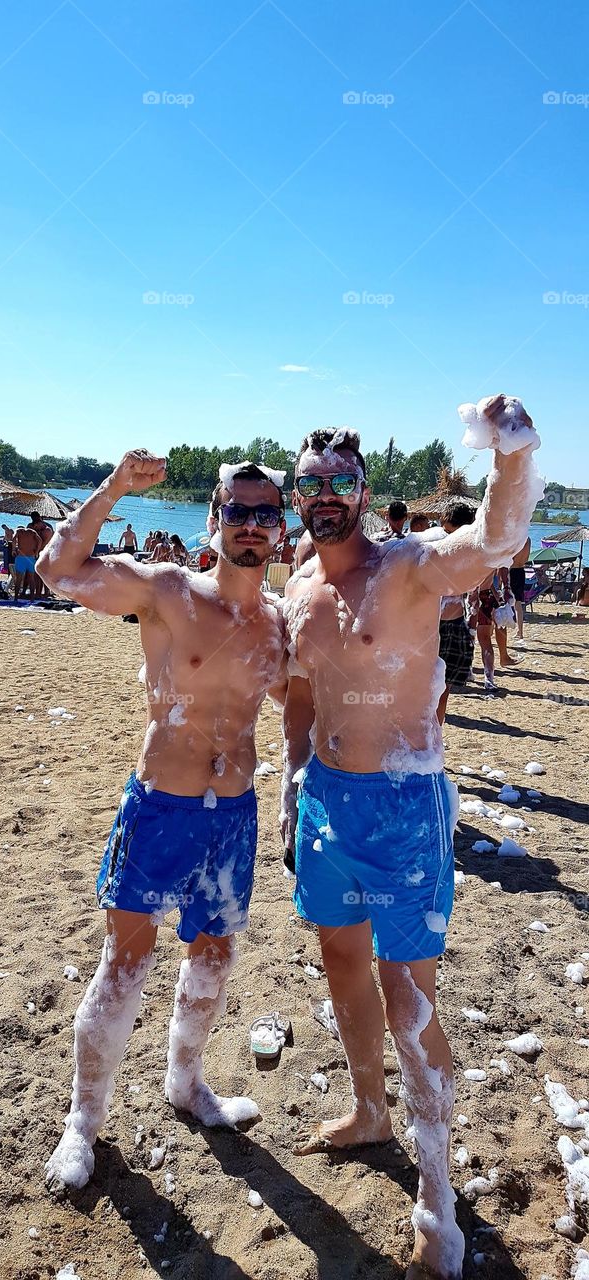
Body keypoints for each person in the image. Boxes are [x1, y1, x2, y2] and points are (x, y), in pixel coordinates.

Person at [281, 397, 541, 1280]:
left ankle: (439, 1204)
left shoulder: (411, 568)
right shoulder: (298, 586)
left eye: (340, 483)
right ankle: (368, 1110)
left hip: (404, 806)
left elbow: (496, 541)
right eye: (310, 484)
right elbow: (303, 698)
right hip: (327, 805)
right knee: (342, 968)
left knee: (409, 996)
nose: (325, 496)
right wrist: (289, 787)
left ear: (363, 491)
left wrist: (511, 452)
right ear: (296, 496)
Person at [37, 450, 287, 1194]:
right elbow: (58, 568)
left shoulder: (278, 621)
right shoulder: (169, 590)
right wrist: (114, 487)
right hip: (161, 807)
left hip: (233, 816)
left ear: (280, 528)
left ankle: (187, 1084)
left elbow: (308, 705)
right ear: (214, 521)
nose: (249, 524)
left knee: (213, 957)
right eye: (236, 511)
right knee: (124, 964)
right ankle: (82, 1123)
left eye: (264, 513)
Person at [436, 503, 476, 723]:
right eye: (445, 531)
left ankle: (435, 736)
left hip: (452, 623)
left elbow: (475, 592)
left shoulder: (470, 553)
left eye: (451, 532)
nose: (447, 537)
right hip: (429, 626)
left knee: (443, 689)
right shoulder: (435, 546)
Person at [467, 567, 518, 692]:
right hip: (484, 595)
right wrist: (504, 589)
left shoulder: (473, 551)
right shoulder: (495, 551)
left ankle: (468, 670)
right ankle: (488, 679)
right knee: (484, 640)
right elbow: (502, 568)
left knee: (471, 635)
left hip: (471, 595)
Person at [509, 536, 531, 642]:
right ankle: (520, 632)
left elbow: (510, 557)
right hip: (521, 570)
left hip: (512, 570)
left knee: (505, 601)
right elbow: (526, 558)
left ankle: (497, 629)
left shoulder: (515, 538)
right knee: (518, 604)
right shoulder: (528, 539)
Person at [13, 525, 42, 601]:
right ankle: (32, 598)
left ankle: (16, 598)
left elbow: (13, 538)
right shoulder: (32, 532)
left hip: (21, 557)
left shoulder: (19, 531)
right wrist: (36, 552)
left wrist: (13, 549)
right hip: (31, 557)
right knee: (31, 578)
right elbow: (40, 541)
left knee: (18, 578)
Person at [29, 512, 54, 598]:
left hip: (45, 553)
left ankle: (46, 592)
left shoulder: (47, 530)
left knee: (44, 574)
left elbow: (44, 544)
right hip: (37, 553)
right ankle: (38, 592)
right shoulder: (32, 526)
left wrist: (36, 552)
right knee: (37, 573)